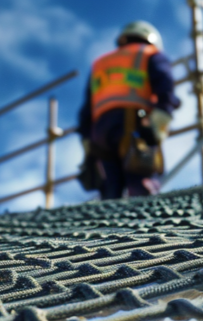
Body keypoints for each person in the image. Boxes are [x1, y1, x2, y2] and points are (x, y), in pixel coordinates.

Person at [77, 21, 181, 200]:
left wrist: (86, 138)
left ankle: (109, 226)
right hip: (132, 124)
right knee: (140, 180)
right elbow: (165, 84)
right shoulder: (149, 53)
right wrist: (162, 113)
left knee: (110, 189)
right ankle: (146, 225)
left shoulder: (99, 64)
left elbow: (87, 108)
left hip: (100, 131)